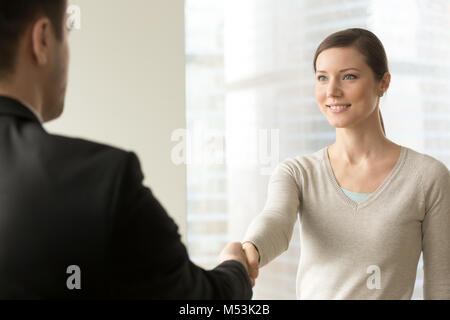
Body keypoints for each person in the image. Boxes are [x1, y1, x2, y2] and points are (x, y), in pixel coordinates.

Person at [0, 0, 252, 299]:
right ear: (41, 39)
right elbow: (201, 301)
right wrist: (236, 268)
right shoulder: (103, 179)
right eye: (66, 33)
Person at [242, 28, 450, 299]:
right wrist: (249, 250)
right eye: (322, 78)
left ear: (383, 83)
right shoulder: (297, 173)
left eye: (349, 76)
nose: (332, 91)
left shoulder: (427, 178)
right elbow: (276, 221)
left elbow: (442, 286)